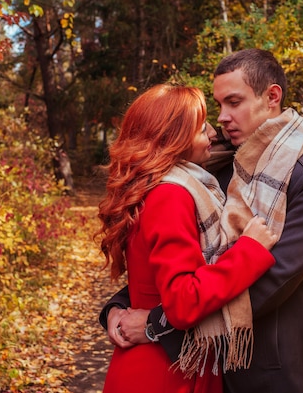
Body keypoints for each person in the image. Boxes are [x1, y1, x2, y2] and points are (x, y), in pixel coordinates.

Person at [99, 49, 303, 393]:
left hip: (264, 372)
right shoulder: (215, 169)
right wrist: (121, 306)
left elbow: (274, 279)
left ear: (271, 96)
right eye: (218, 106)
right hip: (200, 368)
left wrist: (157, 323)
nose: (222, 119)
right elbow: (180, 261)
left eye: (234, 102)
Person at [96, 83, 279, 393]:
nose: (212, 134)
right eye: (200, 128)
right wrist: (249, 249)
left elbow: (152, 280)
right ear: (173, 139)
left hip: (156, 364)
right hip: (164, 373)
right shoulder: (172, 195)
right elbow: (182, 301)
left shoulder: (152, 187)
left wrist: (115, 309)